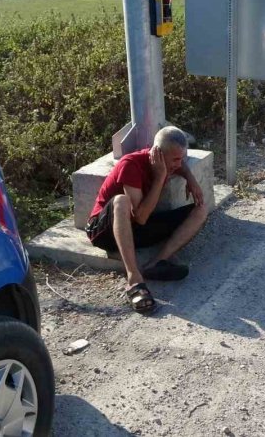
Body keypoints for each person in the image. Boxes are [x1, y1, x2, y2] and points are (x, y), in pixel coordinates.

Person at [85, 127, 208, 313]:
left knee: (200, 210)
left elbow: (180, 165)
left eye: (181, 158)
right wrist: (159, 178)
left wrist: (190, 177)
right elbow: (141, 217)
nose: (179, 163)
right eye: (175, 159)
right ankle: (134, 279)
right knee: (121, 201)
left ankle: (157, 263)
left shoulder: (169, 162)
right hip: (105, 230)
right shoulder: (131, 164)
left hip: (136, 228)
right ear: (158, 154)